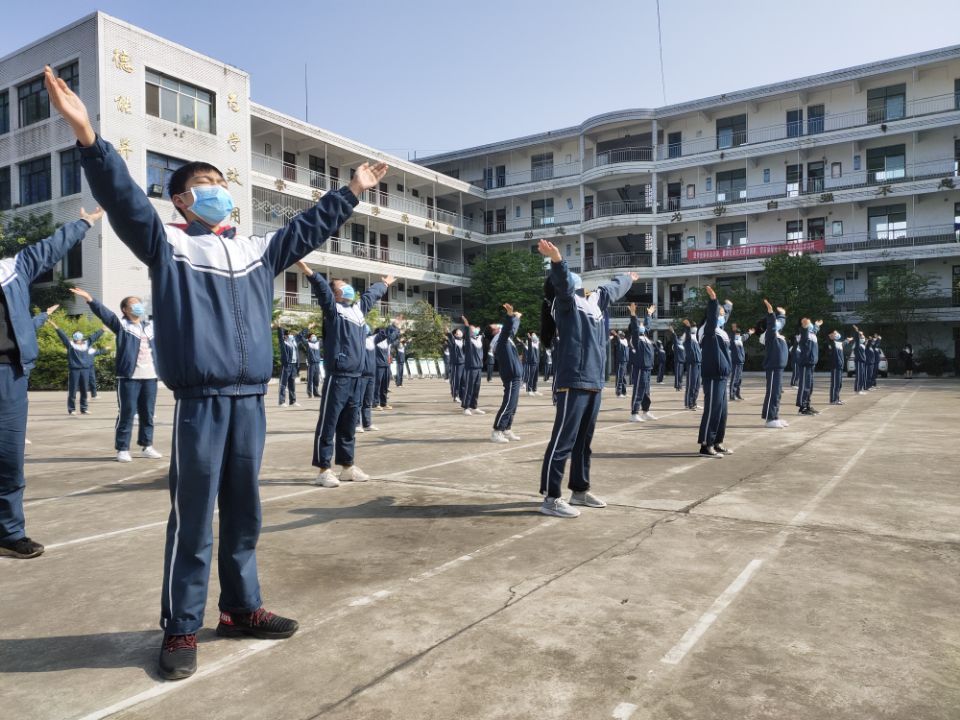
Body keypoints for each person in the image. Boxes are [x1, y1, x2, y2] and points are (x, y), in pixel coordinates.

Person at [47, 64, 389, 680]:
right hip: (201, 401)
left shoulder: (257, 250)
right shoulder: (168, 245)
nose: (219, 191)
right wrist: (89, 138)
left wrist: (352, 190)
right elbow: (124, 199)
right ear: (181, 199)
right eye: (205, 184)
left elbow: (308, 228)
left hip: (250, 398)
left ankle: (240, 608)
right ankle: (181, 625)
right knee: (193, 516)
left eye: (222, 183)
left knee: (245, 510)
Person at [1, 207, 102, 560]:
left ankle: (9, 532)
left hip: (8, 374)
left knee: (9, 458)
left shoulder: (13, 268)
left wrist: (84, 223)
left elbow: (51, 246)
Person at [537, 239, 635, 518]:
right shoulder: (564, 304)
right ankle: (551, 497)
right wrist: (557, 261)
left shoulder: (593, 303)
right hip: (573, 380)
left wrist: (628, 278)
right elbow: (563, 284)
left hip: (594, 381)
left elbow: (611, 289)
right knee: (563, 441)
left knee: (583, 442)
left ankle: (579, 490)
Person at [298, 260, 393, 490]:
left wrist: (384, 285)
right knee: (329, 423)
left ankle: (347, 466)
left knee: (349, 424)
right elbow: (322, 289)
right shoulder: (333, 311)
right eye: (343, 286)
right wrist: (309, 271)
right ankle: (323, 469)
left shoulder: (358, 310)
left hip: (357, 377)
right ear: (335, 294)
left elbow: (370, 296)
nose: (348, 289)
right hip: (338, 376)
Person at [72, 287, 164, 462]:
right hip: (129, 377)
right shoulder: (122, 326)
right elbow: (105, 314)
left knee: (148, 413)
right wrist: (90, 299)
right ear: (125, 309)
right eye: (133, 304)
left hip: (150, 377)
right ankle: (122, 448)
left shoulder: (150, 327)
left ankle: (147, 446)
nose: (138, 306)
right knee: (126, 413)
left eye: (139, 303)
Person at [696, 288, 733, 457]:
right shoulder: (707, 329)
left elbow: (724, 316)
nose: (722, 315)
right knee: (712, 410)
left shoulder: (720, 330)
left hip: (722, 376)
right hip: (712, 374)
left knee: (722, 412)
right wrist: (713, 301)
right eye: (720, 313)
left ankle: (717, 442)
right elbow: (713, 317)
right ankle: (706, 445)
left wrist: (728, 306)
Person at [50, 319, 105, 416]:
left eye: (79, 336)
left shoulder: (86, 343)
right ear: (74, 338)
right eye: (76, 337)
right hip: (74, 370)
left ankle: (84, 409)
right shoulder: (70, 345)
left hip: (85, 370)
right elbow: (62, 335)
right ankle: (71, 409)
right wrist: (55, 326)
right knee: (73, 390)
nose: (78, 338)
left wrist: (102, 329)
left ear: (82, 337)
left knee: (84, 390)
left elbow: (94, 337)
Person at [490, 312, 523, 443]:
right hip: (511, 376)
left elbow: (512, 329)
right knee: (508, 403)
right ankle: (497, 431)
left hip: (516, 376)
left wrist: (517, 319)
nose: (499, 327)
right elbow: (508, 328)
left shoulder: (506, 339)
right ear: (494, 332)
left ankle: (506, 428)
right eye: (496, 326)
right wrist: (510, 316)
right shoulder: (500, 340)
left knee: (513, 405)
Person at [760, 299, 789, 429]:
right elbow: (773, 324)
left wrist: (782, 314)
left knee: (777, 393)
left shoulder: (777, 334)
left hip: (778, 368)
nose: (778, 324)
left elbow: (780, 323)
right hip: (773, 367)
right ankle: (770, 418)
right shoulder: (770, 334)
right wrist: (771, 313)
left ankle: (774, 416)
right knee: (773, 392)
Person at [627, 303, 657, 422]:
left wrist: (649, 314)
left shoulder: (645, 336)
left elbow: (647, 326)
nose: (642, 326)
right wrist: (633, 315)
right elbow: (635, 327)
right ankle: (634, 413)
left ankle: (646, 411)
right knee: (639, 389)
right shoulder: (635, 338)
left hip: (647, 367)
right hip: (640, 367)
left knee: (646, 390)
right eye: (640, 325)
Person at [796, 318, 823, 415]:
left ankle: (807, 405)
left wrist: (817, 326)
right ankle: (802, 408)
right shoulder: (803, 335)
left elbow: (814, 331)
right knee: (804, 386)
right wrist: (804, 326)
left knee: (810, 386)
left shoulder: (812, 335)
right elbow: (804, 332)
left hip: (811, 363)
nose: (810, 324)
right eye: (809, 323)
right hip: (805, 363)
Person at [460, 316, 485, 415]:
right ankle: (466, 407)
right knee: (469, 387)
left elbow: (482, 333)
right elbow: (467, 331)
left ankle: (474, 406)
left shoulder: (479, 340)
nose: (474, 330)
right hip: (471, 368)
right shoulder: (468, 340)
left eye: (475, 329)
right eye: (472, 329)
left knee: (476, 388)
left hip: (478, 367)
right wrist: (466, 323)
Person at [374, 320, 400, 410]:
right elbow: (389, 331)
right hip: (378, 365)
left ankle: (383, 403)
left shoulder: (387, 341)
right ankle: (375, 403)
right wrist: (392, 327)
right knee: (377, 385)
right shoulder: (376, 341)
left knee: (385, 385)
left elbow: (394, 336)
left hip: (386, 365)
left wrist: (397, 329)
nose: (385, 334)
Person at [276, 323, 301, 407]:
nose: (291, 335)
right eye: (289, 334)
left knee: (292, 383)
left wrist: (307, 328)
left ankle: (293, 401)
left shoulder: (294, 343)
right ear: (285, 336)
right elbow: (280, 336)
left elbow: (300, 336)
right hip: (287, 365)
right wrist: (279, 328)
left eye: (291, 334)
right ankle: (281, 401)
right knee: (283, 383)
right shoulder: (284, 343)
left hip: (294, 365)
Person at [728, 324, 751, 401]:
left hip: (741, 362)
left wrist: (749, 333)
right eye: (736, 333)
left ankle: (737, 394)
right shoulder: (732, 341)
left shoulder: (740, 339)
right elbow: (732, 337)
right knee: (734, 378)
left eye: (739, 333)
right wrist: (733, 331)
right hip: (735, 362)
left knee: (739, 379)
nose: (738, 334)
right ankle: (732, 395)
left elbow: (745, 336)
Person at [298, 324, 322, 398]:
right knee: (310, 379)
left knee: (316, 379)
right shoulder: (307, 344)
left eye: (315, 336)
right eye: (312, 336)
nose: (314, 337)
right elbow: (301, 336)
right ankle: (309, 393)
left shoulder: (318, 343)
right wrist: (307, 328)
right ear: (309, 338)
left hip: (317, 364)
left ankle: (316, 393)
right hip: (311, 364)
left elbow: (326, 338)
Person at [683, 320, 702, 410]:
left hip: (698, 363)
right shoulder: (688, 337)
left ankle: (694, 402)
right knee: (691, 384)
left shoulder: (696, 339)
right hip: (692, 363)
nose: (695, 328)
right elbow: (687, 333)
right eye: (693, 326)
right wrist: (687, 326)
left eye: (695, 326)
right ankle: (688, 403)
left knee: (697, 384)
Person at [827, 329, 847, 405]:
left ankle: (837, 398)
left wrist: (847, 340)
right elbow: (830, 342)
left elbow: (843, 343)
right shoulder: (831, 343)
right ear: (830, 335)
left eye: (836, 333)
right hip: (835, 366)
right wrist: (830, 337)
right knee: (835, 384)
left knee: (839, 384)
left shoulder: (838, 343)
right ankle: (833, 400)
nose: (836, 334)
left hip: (840, 366)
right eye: (834, 333)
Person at [447, 325, 465, 402]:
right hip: (456, 363)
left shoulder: (463, 341)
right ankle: (455, 395)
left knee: (464, 380)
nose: (461, 333)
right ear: (455, 334)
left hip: (464, 363)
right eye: (458, 332)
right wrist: (448, 332)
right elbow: (450, 337)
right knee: (456, 380)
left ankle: (462, 396)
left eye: (461, 332)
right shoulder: (453, 341)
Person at [524, 332, 542, 396]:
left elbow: (539, 340)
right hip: (531, 362)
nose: (534, 335)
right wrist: (529, 338)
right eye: (533, 335)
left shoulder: (537, 344)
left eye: (535, 335)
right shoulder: (531, 343)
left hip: (537, 362)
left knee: (535, 377)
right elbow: (529, 342)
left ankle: (535, 389)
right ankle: (529, 390)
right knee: (530, 377)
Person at [852, 326, 868, 394]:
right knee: (859, 376)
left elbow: (866, 341)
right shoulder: (857, 344)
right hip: (859, 361)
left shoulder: (862, 345)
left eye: (863, 336)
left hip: (862, 361)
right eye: (861, 336)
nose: (863, 337)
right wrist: (857, 331)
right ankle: (858, 390)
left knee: (861, 376)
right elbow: (857, 339)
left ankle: (859, 389)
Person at [612, 330, 628, 397]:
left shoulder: (625, 341)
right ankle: (618, 393)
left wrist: (617, 334)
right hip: (620, 361)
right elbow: (617, 338)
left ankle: (624, 392)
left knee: (623, 377)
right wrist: (616, 334)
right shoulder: (618, 341)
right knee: (619, 377)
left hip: (625, 361)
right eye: (621, 334)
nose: (623, 334)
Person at [670, 327, 685, 392]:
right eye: (680, 339)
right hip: (677, 361)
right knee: (677, 374)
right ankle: (677, 386)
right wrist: (673, 332)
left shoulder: (683, 346)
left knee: (681, 374)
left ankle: (680, 385)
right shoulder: (676, 345)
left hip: (682, 361)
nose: (681, 339)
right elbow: (675, 339)